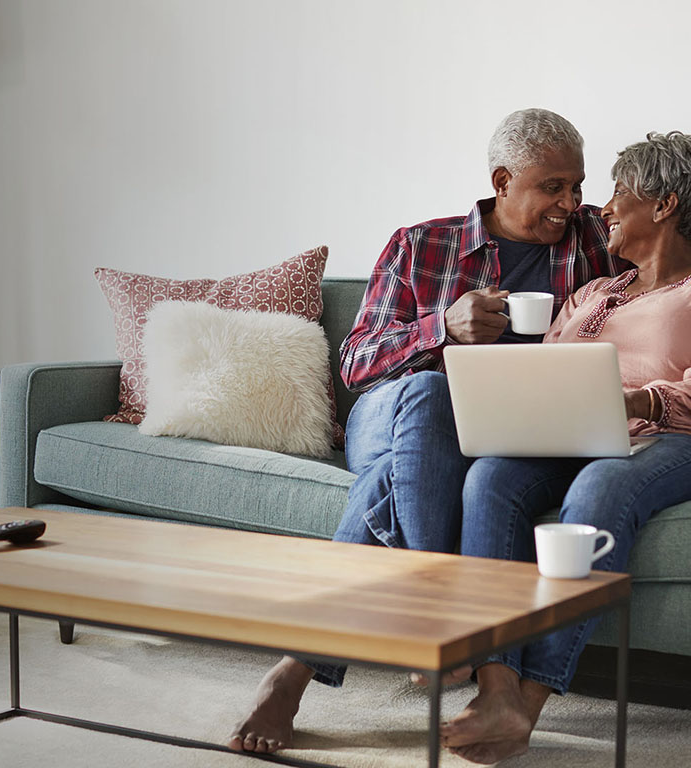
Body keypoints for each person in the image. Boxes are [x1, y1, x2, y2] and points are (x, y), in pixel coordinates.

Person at [227, 108, 627, 755]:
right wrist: (442, 328)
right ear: (502, 180)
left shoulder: (591, 240)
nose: (570, 202)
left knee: (392, 481)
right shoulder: (423, 245)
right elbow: (356, 363)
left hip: (505, 434)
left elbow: (664, 245)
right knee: (430, 389)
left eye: (577, 186)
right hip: (394, 415)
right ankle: (445, 617)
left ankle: (292, 673)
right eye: (552, 187)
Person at [442, 130, 691, 764]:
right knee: (491, 476)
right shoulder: (592, 292)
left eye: (617, 194)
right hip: (572, 432)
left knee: (600, 485)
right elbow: (549, 373)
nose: (600, 208)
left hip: (666, 436)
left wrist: (638, 401)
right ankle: (495, 683)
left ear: (664, 205)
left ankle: (528, 702)